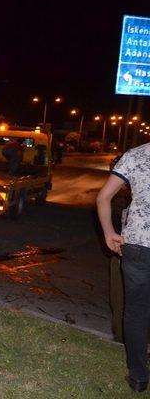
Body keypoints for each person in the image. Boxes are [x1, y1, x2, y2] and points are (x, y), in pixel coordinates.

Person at [96, 142, 150, 393]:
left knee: (136, 311)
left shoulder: (137, 155)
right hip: (138, 246)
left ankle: (139, 376)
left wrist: (109, 233)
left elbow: (103, 197)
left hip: (137, 244)